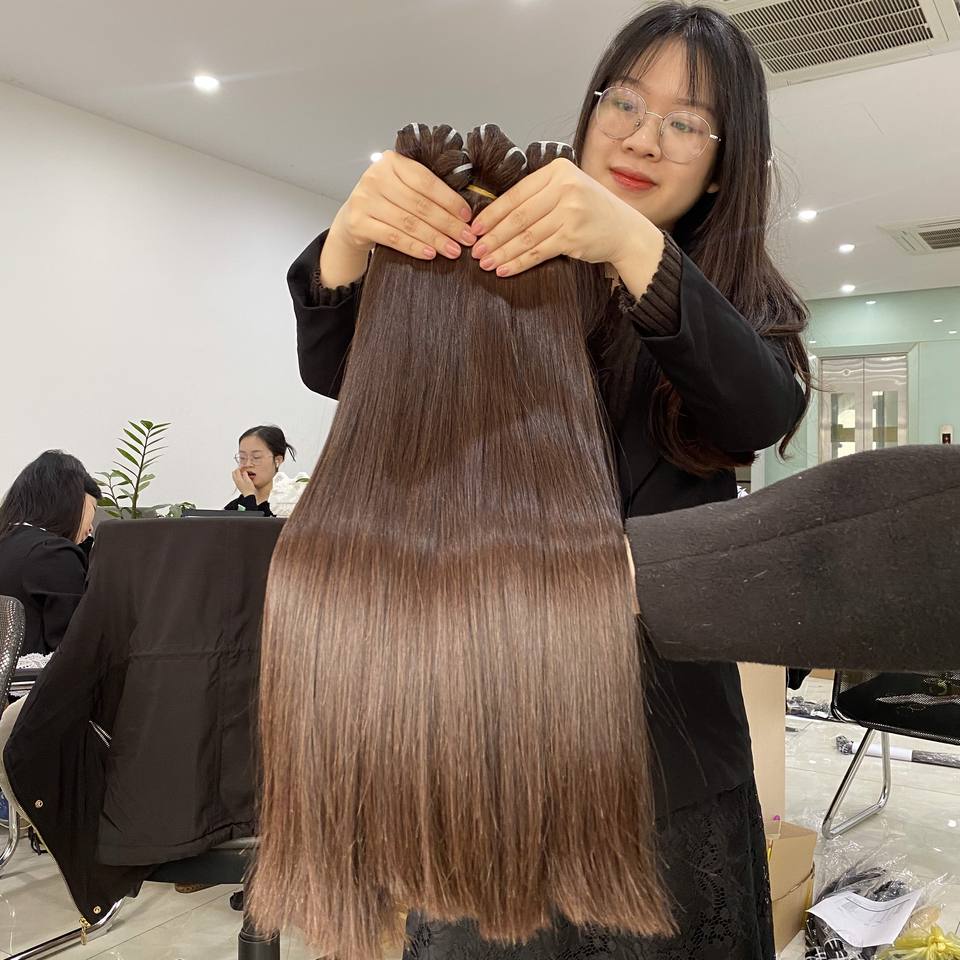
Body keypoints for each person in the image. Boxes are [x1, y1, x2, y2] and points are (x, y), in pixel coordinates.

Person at [286, 5, 810, 958]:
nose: (643, 138)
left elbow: (759, 411)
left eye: (687, 122)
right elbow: (338, 371)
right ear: (592, 109)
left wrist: (632, 248)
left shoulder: (736, 305)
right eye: (626, 102)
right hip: (489, 734)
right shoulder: (498, 261)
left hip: (663, 760)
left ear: (721, 165)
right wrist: (349, 245)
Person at [0, 451, 100, 656]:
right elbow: (74, 650)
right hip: (32, 675)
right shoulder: (54, 555)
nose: (90, 528)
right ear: (72, 501)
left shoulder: (8, 540)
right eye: (93, 508)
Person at [224, 425, 301, 518]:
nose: (247, 464)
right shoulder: (234, 507)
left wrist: (249, 497)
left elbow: (255, 526)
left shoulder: (285, 506)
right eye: (242, 457)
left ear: (278, 460)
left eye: (256, 457)